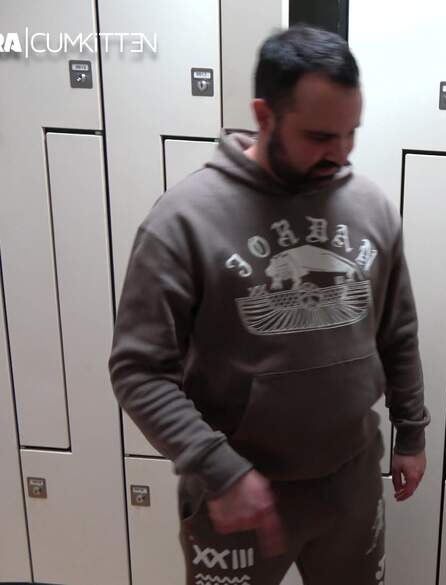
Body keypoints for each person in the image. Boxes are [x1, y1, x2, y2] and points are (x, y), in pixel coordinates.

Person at [109, 26, 429, 585]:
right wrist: (218, 468)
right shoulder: (183, 221)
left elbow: (396, 332)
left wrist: (411, 433)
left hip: (350, 480)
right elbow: (138, 370)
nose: (341, 153)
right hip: (237, 491)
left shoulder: (372, 208)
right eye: (319, 136)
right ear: (264, 115)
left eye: (351, 133)